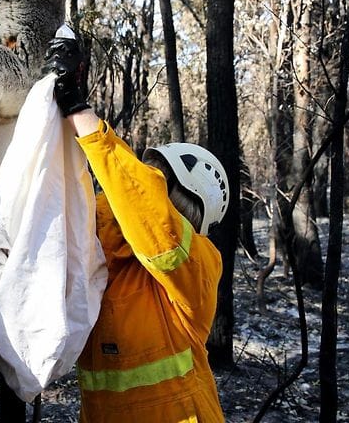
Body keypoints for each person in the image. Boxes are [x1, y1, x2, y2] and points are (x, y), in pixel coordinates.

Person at [42, 36, 228, 422]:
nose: (145, 183)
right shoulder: (108, 254)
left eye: (157, 180)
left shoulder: (199, 263)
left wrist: (79, 110)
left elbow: (147, 214)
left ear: (185, 201)